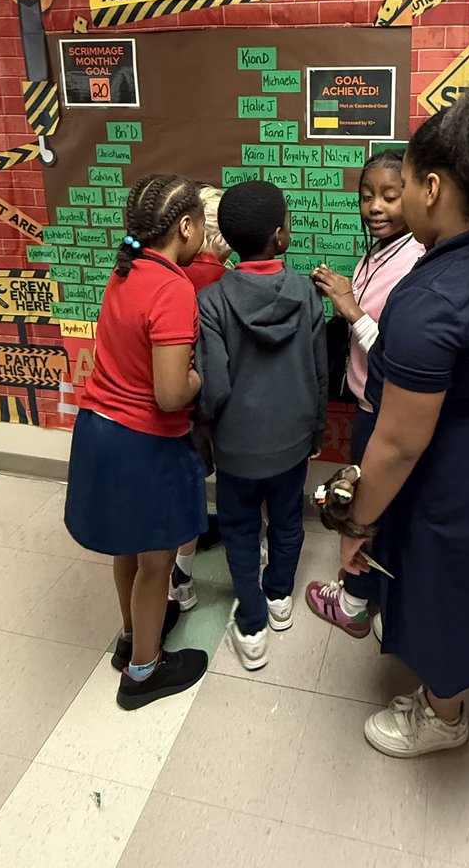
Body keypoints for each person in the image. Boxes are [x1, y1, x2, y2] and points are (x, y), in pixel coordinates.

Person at [331, 76, 469, 758]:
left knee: (442, 582)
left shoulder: (429, 298)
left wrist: (356, 523)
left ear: (430, 187)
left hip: (453, 463)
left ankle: (442, 716)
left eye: (402, 185)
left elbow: (399, 440)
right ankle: (458, 687)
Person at [64, 174, 210, 711]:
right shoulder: (174, 288)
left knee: (125, 546)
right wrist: (200, 377)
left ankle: (131, 638)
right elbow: (171, 394)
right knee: (157, 562)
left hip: (98, 429)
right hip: (144, 443)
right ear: (187, 226)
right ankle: (145, 673)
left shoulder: (126, 270)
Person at [194, 181, 327, 670]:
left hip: (236, 448)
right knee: (288, 522)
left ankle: (251, 625)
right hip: (292, 442)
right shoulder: (306, 294)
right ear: (279, 236)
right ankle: (279, 599)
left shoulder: (212, 301)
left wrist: (208, 436)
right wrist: (315, 431)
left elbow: (213, 386)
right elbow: (318, 372)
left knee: (241, 529)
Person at [305, 150, 423, 638]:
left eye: (391, 197)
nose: (376, 207)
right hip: (367, 400)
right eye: (367, 195)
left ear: (415, 196)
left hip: (387, 408)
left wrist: (351, 309)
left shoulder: (415, 261)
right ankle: (369, 593)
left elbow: (397, 353)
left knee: (365, 505)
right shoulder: (380, 251)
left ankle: (353, 603)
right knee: (373, 502)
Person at [170, 184, 233, 609]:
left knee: (185, 484)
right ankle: (183, 576)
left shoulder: (169, 277)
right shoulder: (224, 282)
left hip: (176, 405)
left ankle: (181, 570)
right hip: (215, 403)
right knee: (212, 484)